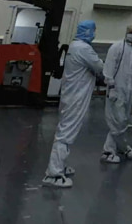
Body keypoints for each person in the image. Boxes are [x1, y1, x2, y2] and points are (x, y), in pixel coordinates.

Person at [43, 20, 104, 188]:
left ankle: (60, 165)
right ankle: (53, 174)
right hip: (76, 97)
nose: (94, 33)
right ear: (87, 32)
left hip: (70, 95)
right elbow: (99, 67)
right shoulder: (84, 49)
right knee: (66, 133)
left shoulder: (74, 46)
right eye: (93, 30)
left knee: (65, 130)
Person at [101, 24, 132, 163]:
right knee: (117, 121)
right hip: (116, 90)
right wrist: (111, 87)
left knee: (124, 121)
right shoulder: (117, 48)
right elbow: (108, 68)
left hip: (130, 92)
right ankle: (115, 149)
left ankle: (114, 149)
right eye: (131, 32)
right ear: (126, 32)